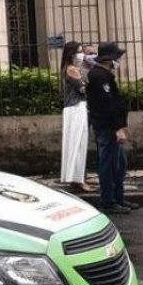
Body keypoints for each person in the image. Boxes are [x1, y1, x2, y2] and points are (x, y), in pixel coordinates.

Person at [86, 42, 133, 214]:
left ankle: (118, 198)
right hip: (107, 128)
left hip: (111, 127)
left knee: (119, 165)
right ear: (109, 59)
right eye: (116, 58)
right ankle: (108, 201)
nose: (117, 61)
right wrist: (117, 128)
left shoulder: (104, 75)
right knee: (109, 165)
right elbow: (107, 105)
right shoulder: (99, 76)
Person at [59, 41, 94, 193]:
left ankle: (77, 178)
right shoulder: (72, 69)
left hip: (75, 109)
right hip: (76, 109)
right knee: (77, 144)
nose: (82, 55)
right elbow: (83, 89)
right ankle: (78, 180)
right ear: (71, 54)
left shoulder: (72, 68)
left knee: (76, 144)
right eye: (79, 51)